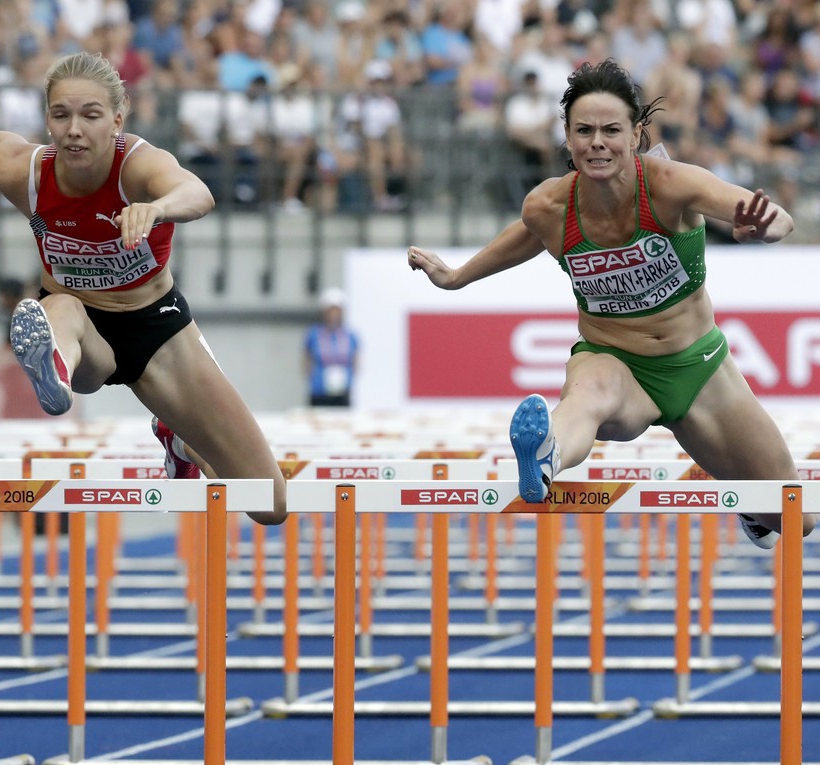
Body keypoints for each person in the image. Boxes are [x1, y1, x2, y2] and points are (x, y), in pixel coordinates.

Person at [406, 59, 815, 549]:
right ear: (567, 136)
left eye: (610, 130)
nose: (596, 142)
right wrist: (455, 277)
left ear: (636, 134)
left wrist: (763, 229)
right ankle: (545, 454)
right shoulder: (548, 206)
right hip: (615, 362)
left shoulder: (670, 184)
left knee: (797, 518)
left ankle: (753, 508)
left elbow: (778, 219)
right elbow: (524, 237)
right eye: (584, 130)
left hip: (699, 368)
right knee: (586, 396)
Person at [0, 50, 286, 526]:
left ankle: (180, 437)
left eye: (90, 115)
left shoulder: (137, 167)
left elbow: (199, 193)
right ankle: (54, 367)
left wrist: (156, 208)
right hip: (82, 328)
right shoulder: (25, 173)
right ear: (48, 122)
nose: (75, 129)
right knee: (57, 308)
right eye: (61, 115)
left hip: (157, 332)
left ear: (117, 119)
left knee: (269, 504)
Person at [303, 287, 359, 408]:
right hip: (319, 392)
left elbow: (356, 362)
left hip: (342, 392)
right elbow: (306, 361)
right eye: (330, 310)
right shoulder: (314, 334)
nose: (334, 314)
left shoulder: (350, 335)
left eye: (337, 310)